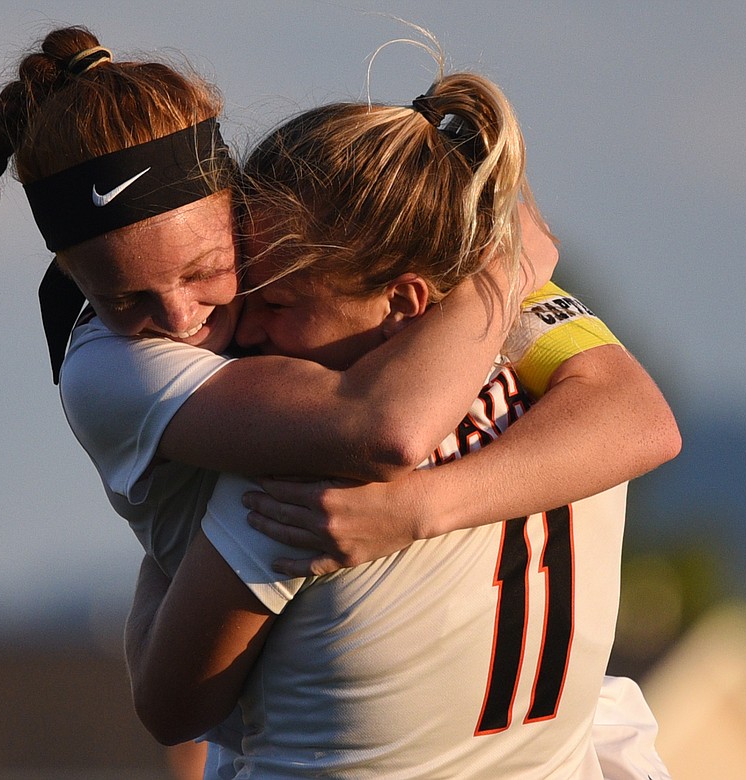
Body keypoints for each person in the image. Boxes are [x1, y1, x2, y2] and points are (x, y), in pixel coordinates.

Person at [0, 25, 678, 778]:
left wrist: (409, 508)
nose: (190, 324)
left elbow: (170, 702)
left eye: (237, 281)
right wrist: (506, 260)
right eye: (123, 299)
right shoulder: (509, 351)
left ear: (237, 214)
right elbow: (405, 424)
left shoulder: (299, 487)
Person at [123, 58, 676, 777]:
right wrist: (506, 271)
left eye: (281, 304)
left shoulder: (310, 476)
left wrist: (165, 506)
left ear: (407, 302)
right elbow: (644, 419)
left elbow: (170, 706)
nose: (243, 327)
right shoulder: (556, 381)